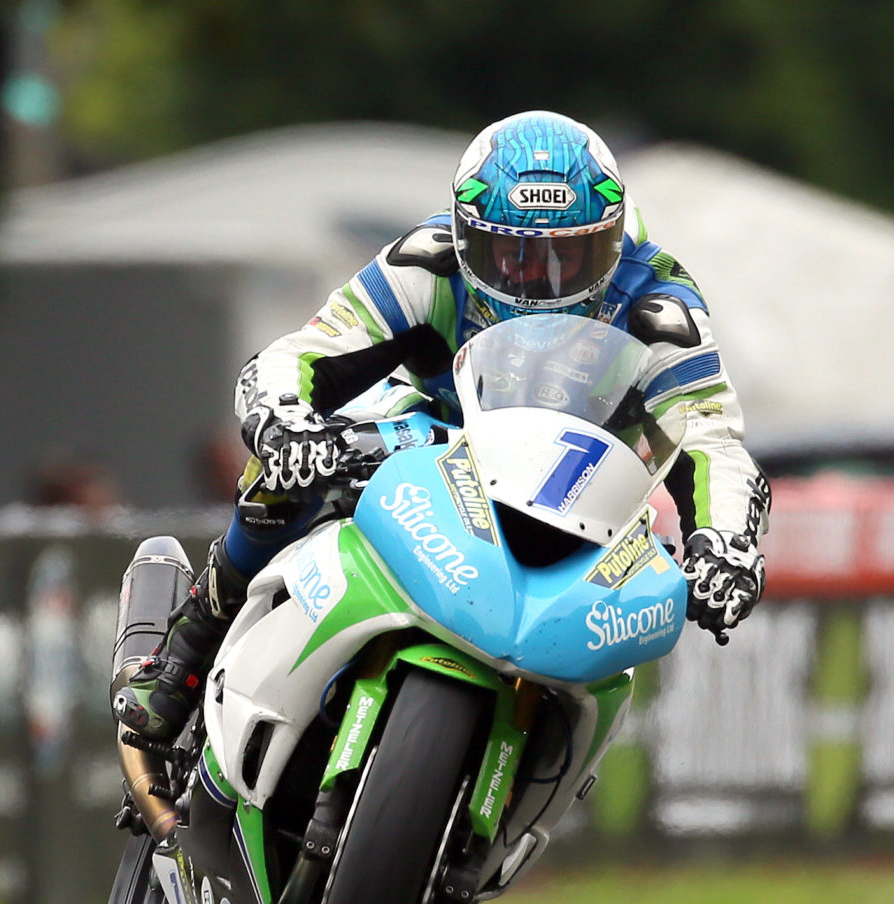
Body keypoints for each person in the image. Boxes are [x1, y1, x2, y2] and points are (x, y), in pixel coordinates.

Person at [119, 110, 771, 749]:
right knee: (282, 478)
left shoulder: (660, 302)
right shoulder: (427, 262)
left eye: (566, 258)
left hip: (580, 490)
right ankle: (186, 652)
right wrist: (287, 424)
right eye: (510, 255)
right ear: (466, 237)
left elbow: (713, 438)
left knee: (638, 585)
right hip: (437, 440)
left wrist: (726, 544)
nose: (538, 283)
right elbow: (307, 351)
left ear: (608, 239)